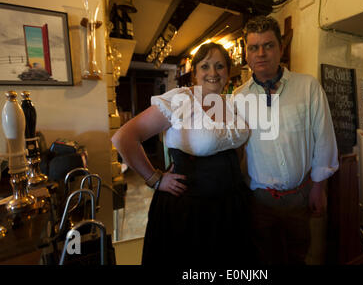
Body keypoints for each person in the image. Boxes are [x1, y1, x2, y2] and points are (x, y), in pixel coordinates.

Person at [111, 43, 253, 267]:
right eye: (205, 66)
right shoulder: (181, 100)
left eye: (219, 66)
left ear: (228, 70)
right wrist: (155, 179)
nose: (213, 73)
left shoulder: (231, 103)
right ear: (195, 72)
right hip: (191, 211)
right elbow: (124, 138)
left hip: (230, 206)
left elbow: (236, 149)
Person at [233, 15, 339, 265]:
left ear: (281, 48)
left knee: (300, 256)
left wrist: (317, 188)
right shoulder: (237, 98)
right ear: (246, 54)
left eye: (268, 45)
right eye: (253, 47)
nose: (261, 53)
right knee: (264, 258)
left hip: (301, 196)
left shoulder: (308, 87)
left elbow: (323, 138)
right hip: (259, 200)